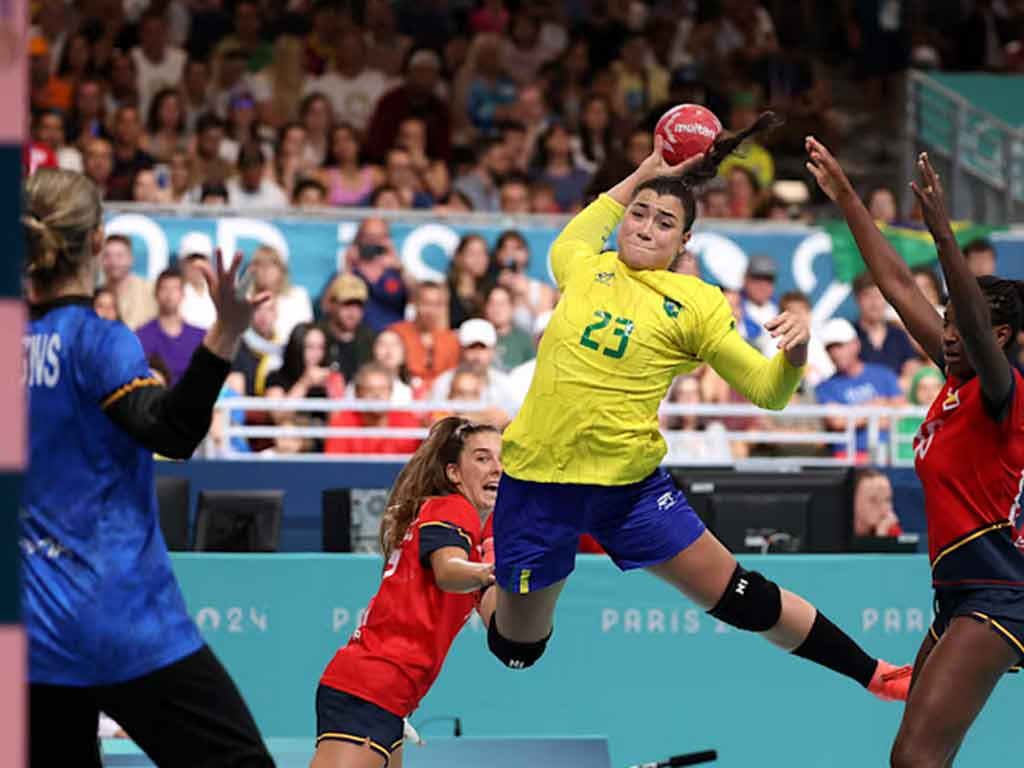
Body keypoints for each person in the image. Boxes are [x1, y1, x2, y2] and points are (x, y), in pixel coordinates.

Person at [485, 120, 911, 715]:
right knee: (516, 650)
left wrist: (795, 352)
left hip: (629, 490)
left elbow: (768, 392)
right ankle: (488, 577)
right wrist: (652, 169)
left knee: (742, 597)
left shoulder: (697, 304)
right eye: (639, 213)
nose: (645, 227)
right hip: (538, 487)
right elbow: (599, 214)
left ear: (684, 241)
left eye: (665, 222)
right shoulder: (580, 264)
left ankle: (876, 674)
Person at [21, 168, 272, 766]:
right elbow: (173, 431)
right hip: (121, 618)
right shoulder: (98, 341)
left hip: (32, 632)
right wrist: (226, 332)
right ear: (96, 240)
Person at [806, 137, 1024, 767]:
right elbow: (899, 286)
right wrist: (847, 196)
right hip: (959, 592)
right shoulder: (956, 380)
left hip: (1000, 591)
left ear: (1000, 335)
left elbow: (976, 330)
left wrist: (942, 235)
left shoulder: (1002, 393)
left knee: (915, 760)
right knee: (924, 754)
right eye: (947, 321)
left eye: (963, 324)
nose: (949, 333)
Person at [312, 417, 499, 768]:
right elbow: (447, 571)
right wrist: (490, 571)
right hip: (369, 688)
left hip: (389, 698)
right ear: (454, 473)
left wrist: (503, 559)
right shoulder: (452, 509)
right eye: (483, 458)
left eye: (503, 459)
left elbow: (502, 629)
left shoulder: (474, 547)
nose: (498, 469)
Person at [815, 317, 904, 463]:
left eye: (840, 345)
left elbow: (900, 414)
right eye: (830, 348)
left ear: (856, 345)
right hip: (848, 457)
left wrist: (851, 414)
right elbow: (837, 422)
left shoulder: (884, 374)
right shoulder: (825, 387)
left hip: (890, 454)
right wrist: (876, 407)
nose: (835, 352)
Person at [323, 363, 422, 456]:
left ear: (391, 392)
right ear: (358, 393)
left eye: (383, 389)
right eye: (370, 390)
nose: (377, 395)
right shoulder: (342, 424)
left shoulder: (407, 422)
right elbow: (334, 467)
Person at [135, 267, 207, 385]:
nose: (169, 294)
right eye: (164, 288)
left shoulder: (200, 335)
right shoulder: (142, 335)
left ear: (183, 294)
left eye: (175, 289)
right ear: (156, 294)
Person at [100, 234, 157, 330]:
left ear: (131, 259)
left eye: (119, 256)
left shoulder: (151, 289)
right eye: (107, 256)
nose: (113, 262)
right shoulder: (96, 295)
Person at [852, 468, 903, 538]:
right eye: (873, 500)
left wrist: (882, 535)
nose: (884, 508)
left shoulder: (889, 529)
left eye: (887, 499)